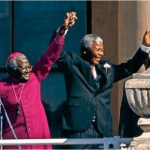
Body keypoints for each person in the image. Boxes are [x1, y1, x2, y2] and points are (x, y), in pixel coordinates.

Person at [56, 17, 150, 149]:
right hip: (79, 132)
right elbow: (57, 54)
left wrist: (144, 47)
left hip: (103, 131)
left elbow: (130, 67)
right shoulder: (73, 65)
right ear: (85, 50)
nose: (101, 53)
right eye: (98, 50)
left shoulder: (108, 69)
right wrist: (62, 30)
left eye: (102, 50)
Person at [0, 12, 77, 149]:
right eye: (22, 69)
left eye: (27, 67)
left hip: (38, 142)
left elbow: (50, 55)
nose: (27, 72)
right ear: (12, 71)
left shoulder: (35, 75)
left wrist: (62, 30)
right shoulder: (2, 87)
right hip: (13, 142)